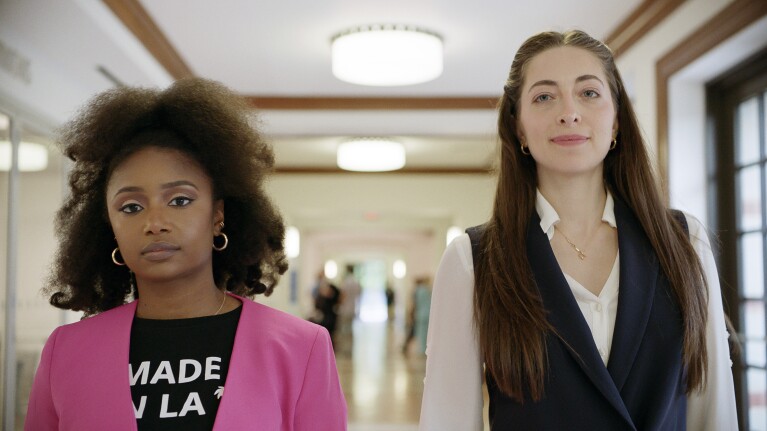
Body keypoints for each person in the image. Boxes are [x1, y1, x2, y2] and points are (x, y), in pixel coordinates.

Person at [419, 30, 737, 430]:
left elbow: (714, 411)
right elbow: (447, 421)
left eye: (588, 93)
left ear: (617, 117)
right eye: (544, 97)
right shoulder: (473, 259)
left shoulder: (683, 241)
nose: (569, 112)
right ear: (518, 128)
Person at [24, 78, 347, 430]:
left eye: (180, 200)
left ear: (217, 216)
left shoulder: (301, 348)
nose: (155, 222)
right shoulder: (67, 352)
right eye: (131, 207)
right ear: (109, 227)